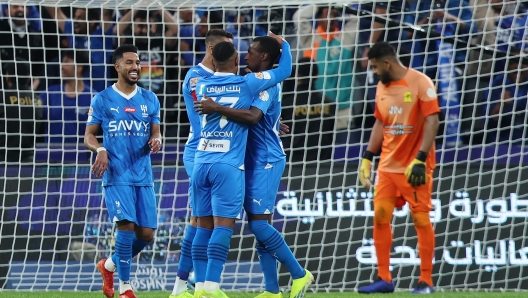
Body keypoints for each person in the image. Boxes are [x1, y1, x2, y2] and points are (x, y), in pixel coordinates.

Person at [196, 37, 314, 298]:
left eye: (251, 52)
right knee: (259, 224)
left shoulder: (265, 83)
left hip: (266, 159)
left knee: (259, 225)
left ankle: (300, 274)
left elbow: (253, 117)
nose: (246, 56)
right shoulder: (250, 80)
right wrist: (274, 122)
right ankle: (272, 290)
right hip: (247, 158)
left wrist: (218, 107)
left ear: (263, 58)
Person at [357, 42, 439, 294]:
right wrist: (368, 158)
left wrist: (420, 158)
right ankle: (384, 279)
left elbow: (433, 120)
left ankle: (426, 281)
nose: (373, 72)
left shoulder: (420, 82)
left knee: (421, 219)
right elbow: (380, 123)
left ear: (387, 64)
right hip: (388, 168)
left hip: (415, 168)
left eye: (374, 67)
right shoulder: (381, 87)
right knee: (380, 218)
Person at [84, 44, 162, 298]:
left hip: (143, 174)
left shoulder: (150, 98)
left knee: (147, 234)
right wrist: (100, 150)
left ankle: (108, 265)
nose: (136, 67)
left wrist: (157, 139)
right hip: (116, 174)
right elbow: (89, 136)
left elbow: (156, 131)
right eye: (129, 62)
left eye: (137, 62)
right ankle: (126, 288)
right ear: (117, 66)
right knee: (126, 227)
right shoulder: (103, 99)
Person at [169, 28, 234, 298]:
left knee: (197, 221)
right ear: (212, 50)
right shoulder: (197, 77)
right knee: (204, 220)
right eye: (227, 50)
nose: (233, 55)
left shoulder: (222, 77)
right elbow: (213, 110)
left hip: (216, 154)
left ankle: (181, 287)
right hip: (200, 152)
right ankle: (201, 287)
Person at [281, 57, 336, 162]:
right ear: (317, 76)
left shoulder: (286, 104)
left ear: (298, 75)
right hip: (322, 162)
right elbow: (330, 135)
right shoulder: (329, 103)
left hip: (293, 162)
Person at [40, 50, 95, 143]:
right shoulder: (49, 94)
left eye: (66, 62)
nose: (61, 67)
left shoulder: (94, 98)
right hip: (51, 154)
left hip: (81, 155)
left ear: (78, 68)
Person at [0, 59, 43, 163]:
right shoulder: (37, 100)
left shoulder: (2, 97)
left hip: (3, 160)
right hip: (27, 161)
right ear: (28, 78)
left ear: (7, 76)